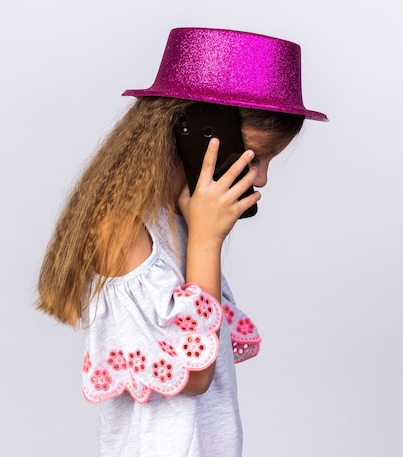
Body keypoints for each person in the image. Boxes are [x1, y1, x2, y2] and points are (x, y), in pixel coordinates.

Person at [37, 27, 327, 457]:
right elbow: (193, 375)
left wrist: (200, 230)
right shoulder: (120, 231)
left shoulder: (179, 219)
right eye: (256, 155)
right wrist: (208, 239)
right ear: (200, 132)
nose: (262, 178)